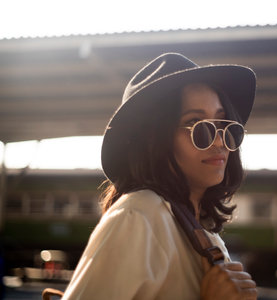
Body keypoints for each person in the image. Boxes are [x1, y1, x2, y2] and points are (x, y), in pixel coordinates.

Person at [61, 53, 258, 299]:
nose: (219, 140)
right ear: (154, 139)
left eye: (221, 122)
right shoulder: (138, 216)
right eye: (196, 122)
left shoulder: (205, 234)